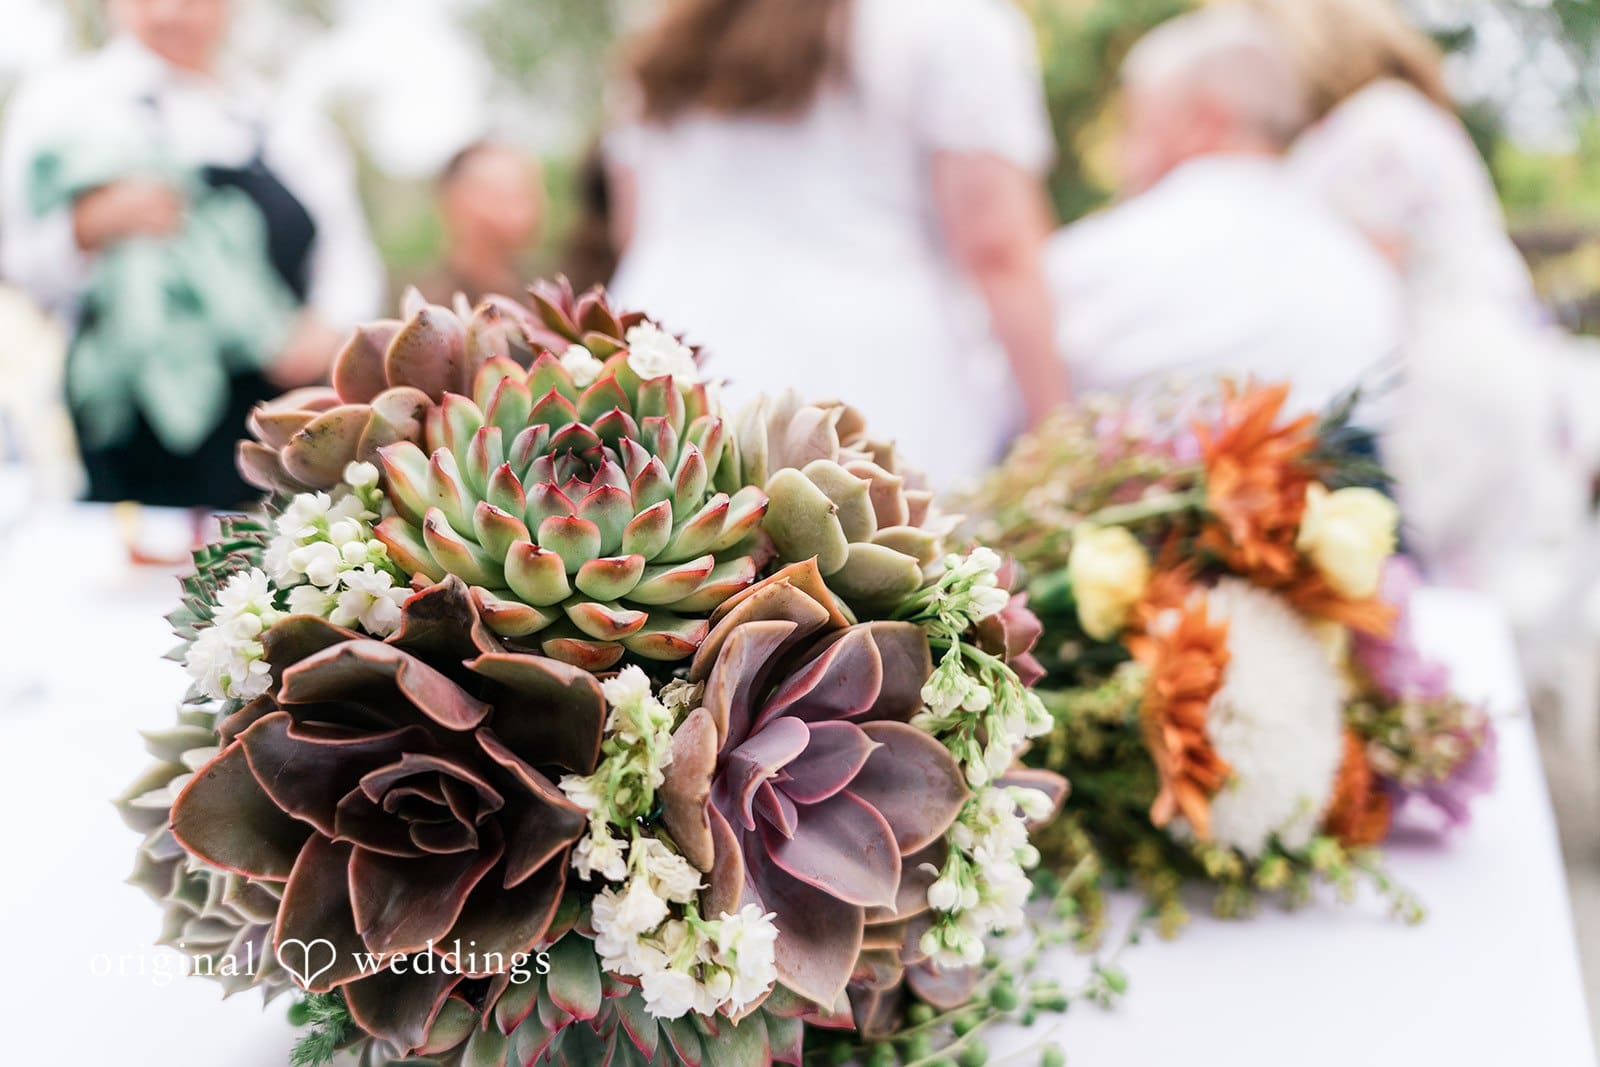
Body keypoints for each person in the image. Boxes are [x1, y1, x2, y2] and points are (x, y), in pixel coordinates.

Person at [605, 0, 1068, 489]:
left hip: (660, 373)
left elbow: (633, 229)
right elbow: (997, 251)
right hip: (866, 382)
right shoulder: (951, 22)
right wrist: (1057, 439)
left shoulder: (665, 31)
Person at [1249, 0, 1595, 604]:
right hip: (1498, 363)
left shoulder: (1368, 127)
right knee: (1495, 593)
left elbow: (1357, 270)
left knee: (1445, 599)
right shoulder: (1408, 116)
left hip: (1440, 386)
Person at [0, 0, 382, 510]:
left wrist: (325, 329)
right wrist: (85, 229)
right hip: (131, 444)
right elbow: (16, 261)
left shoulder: (290, 123)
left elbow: (349, 263)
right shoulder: (62, 104)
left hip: (279, 431)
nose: (167, 13)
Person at [1046, 8, 1402, 415]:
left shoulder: (1107, 257)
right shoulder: (1361, 265)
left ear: (1204, 120)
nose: (1123, 158)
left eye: (1135, 125)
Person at [416, 140, 545, 308]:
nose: (523, 208)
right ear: (455, 201)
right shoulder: (427, 307)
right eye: (501, 193)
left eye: (527, 193)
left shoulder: (543, 294)